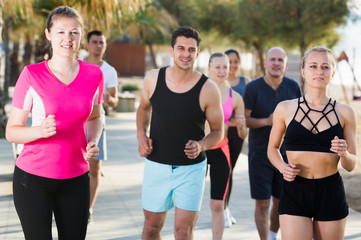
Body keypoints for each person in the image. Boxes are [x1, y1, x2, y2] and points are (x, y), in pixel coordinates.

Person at [5, 6, 103, 240]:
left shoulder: (94, 75)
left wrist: (93, 142)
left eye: (74, 32)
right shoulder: (31, 74)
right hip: (33, 179)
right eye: (60, 32)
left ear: (81, 36)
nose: (67, 39)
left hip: (77, 178)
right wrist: (39, 131)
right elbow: (11, 132)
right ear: (48, 34)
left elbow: (95, 117)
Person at [136, 26, 224, 240]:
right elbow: (143, 108)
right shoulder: (153, 79)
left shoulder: (208, 89)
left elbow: (218, 131)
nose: (186, 54)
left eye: (191, 50)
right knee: (151, 228)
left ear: (198, 53)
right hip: (156, 164)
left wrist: (202, 145)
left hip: (191, 170)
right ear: (171, 50)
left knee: (183, 232)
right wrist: (141, 136)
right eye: (181, 48)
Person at [267, 46, 357, 240]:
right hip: (295, 190)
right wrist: (283, 168)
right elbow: (272, 149)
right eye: (313, 66)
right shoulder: (285, 108)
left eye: (325, 67)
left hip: (330, 190)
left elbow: (351, 165)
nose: (319, 71)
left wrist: (344, 153)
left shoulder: (345, 112)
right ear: (303, 71)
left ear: (332, 72)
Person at [243, 47, 301, 240]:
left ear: (285, 64)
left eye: (280, 60)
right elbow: (245, 119)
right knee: (262, 204)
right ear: (265, 63)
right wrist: (267, 121)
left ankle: (273, 235)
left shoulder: (293, 87)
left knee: (280, 201)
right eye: (272, 59)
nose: (276, 63)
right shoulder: (253, 87)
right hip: (259, 154)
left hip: (286, 155)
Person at [205, 52, 247, 239]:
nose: (222, 71)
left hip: (221, 151)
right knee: (190, 205)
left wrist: (241, 124)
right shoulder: (200, 91)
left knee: (217, 204)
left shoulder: (235, 97)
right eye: (218, 67)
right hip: (198, 151)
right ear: (209, 69)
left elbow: (243, 134)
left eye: (225, 67)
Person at [83, 30, 118, 222]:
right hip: (75, 123)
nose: (98, 45)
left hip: (97, 122)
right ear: (87, 44)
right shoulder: (76, 64)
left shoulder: (109, 71)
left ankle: (87, 209)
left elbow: (115, 100)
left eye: (101, 43)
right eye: (94, 42)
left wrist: (108, 99)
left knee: (94, 169)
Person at [224, 49, 250, 227]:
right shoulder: (216, 82)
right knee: (221, 171)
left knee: (230, 170)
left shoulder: (245, 82)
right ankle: (220, 208)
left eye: (235, 61)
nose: (232, 65)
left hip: (237, 134)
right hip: (219, 132)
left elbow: (246, 110)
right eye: (229, 62)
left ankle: (225, 208)